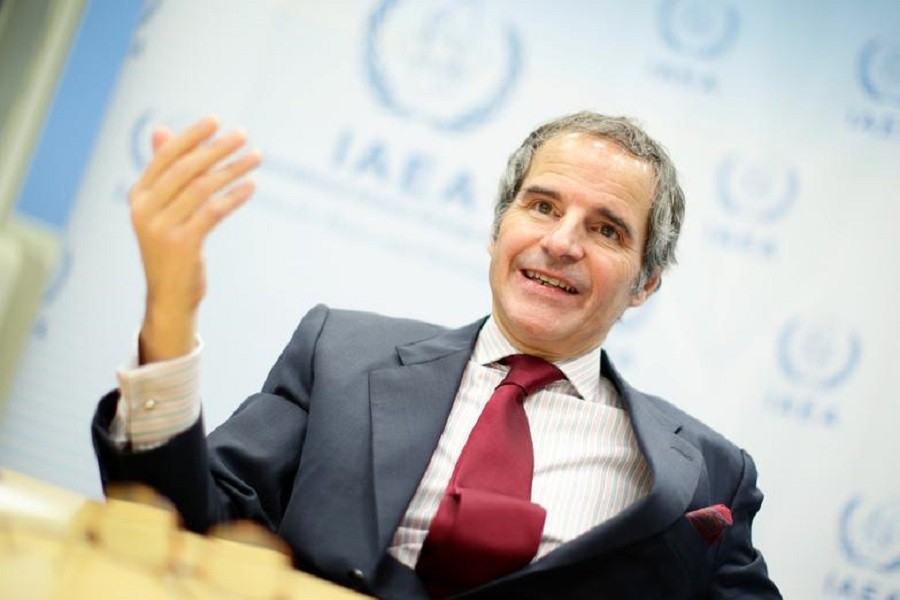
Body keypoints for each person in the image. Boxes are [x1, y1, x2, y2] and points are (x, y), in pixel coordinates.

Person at [92, 111, 782, 599]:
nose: (562, 242)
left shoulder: (707, 475)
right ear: (498, 229)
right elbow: (176, 521)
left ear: (645, 283)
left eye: (605, 229)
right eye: (541, 207)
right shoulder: (341, 354)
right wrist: (170, 318)